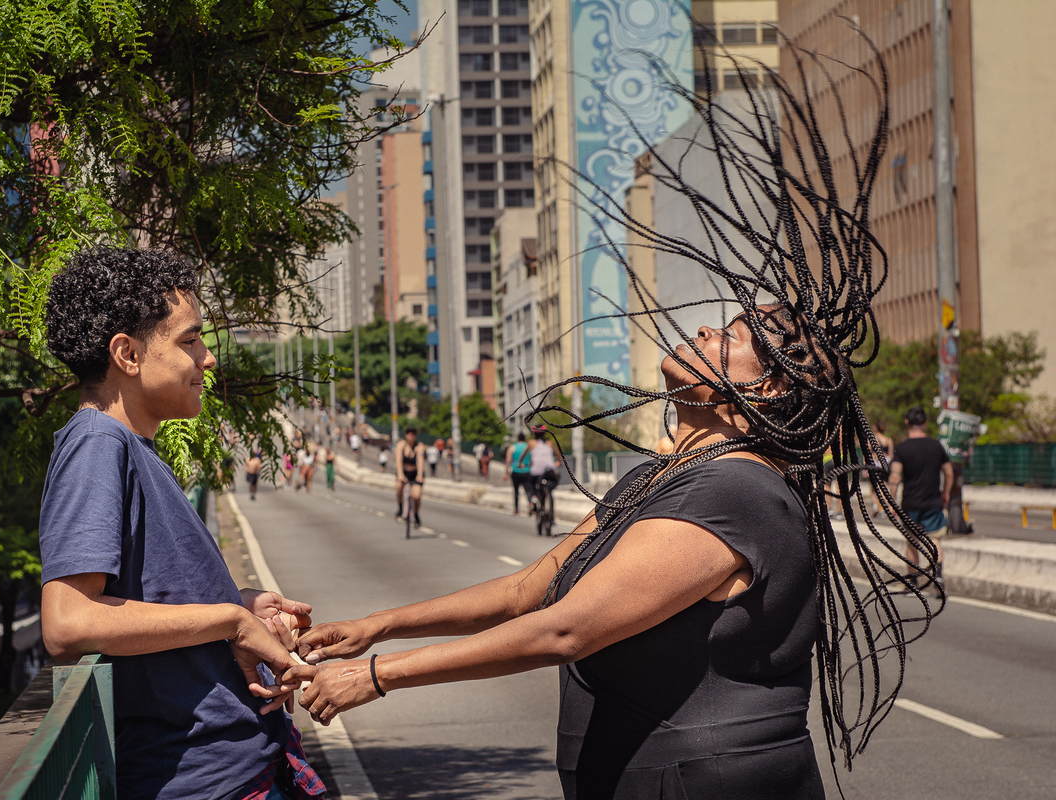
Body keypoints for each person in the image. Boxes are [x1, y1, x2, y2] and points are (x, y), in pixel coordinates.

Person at [276, 48, 942, 797]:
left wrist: (379, 675)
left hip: (708, 780)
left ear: (770, 396)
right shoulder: (661, 478)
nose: (708, 335)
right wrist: (378, 626)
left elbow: (568, 628)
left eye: (735, 339)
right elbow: (529, 591)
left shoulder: (737, 494)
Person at [39, 247, 320, 800]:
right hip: (206, 782)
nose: (208, 358)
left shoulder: (131, 447)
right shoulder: (97, 444)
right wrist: (230, 624)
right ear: (128, 353)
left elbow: (146, 593)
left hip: (237, 766)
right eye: (190, 340)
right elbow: (68, 622)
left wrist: (238, 604)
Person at [889, 406, 954, 592]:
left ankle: (912, 583)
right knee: (935, 540)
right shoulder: (936, 446)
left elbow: (895, 477)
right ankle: (938, 577)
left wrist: (891, 501)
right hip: (933, 501)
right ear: (925, 423)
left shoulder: (901, 448)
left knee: (912, 542)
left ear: (907, 423)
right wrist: (946, 492)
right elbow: (949, 473)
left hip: (910, 504)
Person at [394, 426, 425, 525]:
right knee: (399, 487)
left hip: (415, 474)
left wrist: (419, 475)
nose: (410, 435)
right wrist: (400, 475)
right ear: (405, 434)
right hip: (404, 472)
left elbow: (420, 461)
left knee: (416, 495)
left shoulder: (419, 446)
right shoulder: (401, 445)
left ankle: (416, 514)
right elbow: (398, 460)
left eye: (413, 433)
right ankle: (400, 508)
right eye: (408, 433)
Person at [527, 430, 559, 514]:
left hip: (536, 471)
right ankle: (548, 495)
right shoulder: (550, 443)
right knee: (553, 483)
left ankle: (534, 497)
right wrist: (558, 463)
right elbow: (559, 456)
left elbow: (524, 456)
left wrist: (521, 464)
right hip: (550, 471)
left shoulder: (531, 442)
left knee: (530, 483)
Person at [504, 432, 532, 515]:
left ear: (517, 438)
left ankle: (516, 509)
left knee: (516, 491)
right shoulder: (528, 447)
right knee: (528, 490)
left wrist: (506, 472)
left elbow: (508, 460)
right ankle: (530, 505)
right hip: (527, 470)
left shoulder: (512, 447)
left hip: (516, 471)